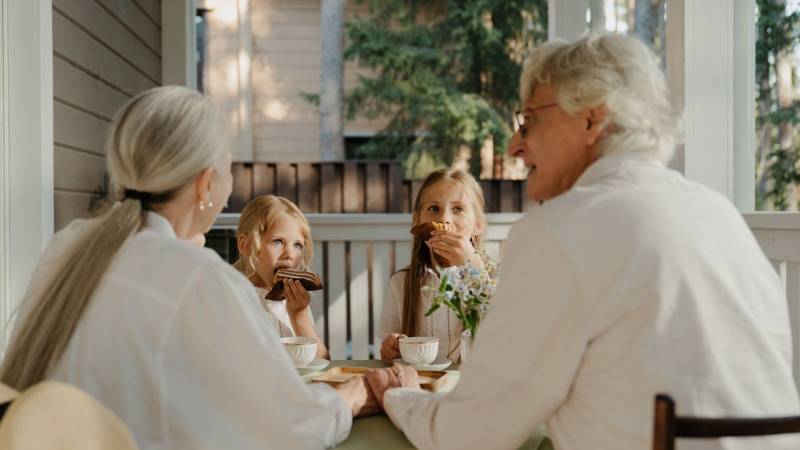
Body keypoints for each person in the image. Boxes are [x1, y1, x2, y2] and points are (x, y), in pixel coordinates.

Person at [364, 33, 800, 450]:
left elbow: (467, 435)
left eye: (529, 120)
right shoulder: (718, 213)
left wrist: (398, 395)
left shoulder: (558, 229)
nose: (516, 145)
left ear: (592, 118)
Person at [1, 86, 376, 449]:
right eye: (229, 169)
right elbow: (291, 432)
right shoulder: (200, 277)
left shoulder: (68, 244)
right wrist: (352, 398)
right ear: (206, 183)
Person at [377, 168, 493, 363]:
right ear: (417, 221)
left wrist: (474, 268)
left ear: (478, 225)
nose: (444, 219)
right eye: (433, 208)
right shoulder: (401, 283)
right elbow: (388, 353)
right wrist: (390, 348)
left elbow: (504, 341)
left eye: (458, 209)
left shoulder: (494, 280)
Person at [234, 194, 328, 359]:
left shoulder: (294, 301)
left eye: (297, 245)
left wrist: (299, 317)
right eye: (278, 242)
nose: (290, 254)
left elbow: (322, 362)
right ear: (246, 245)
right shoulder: (233, 296)